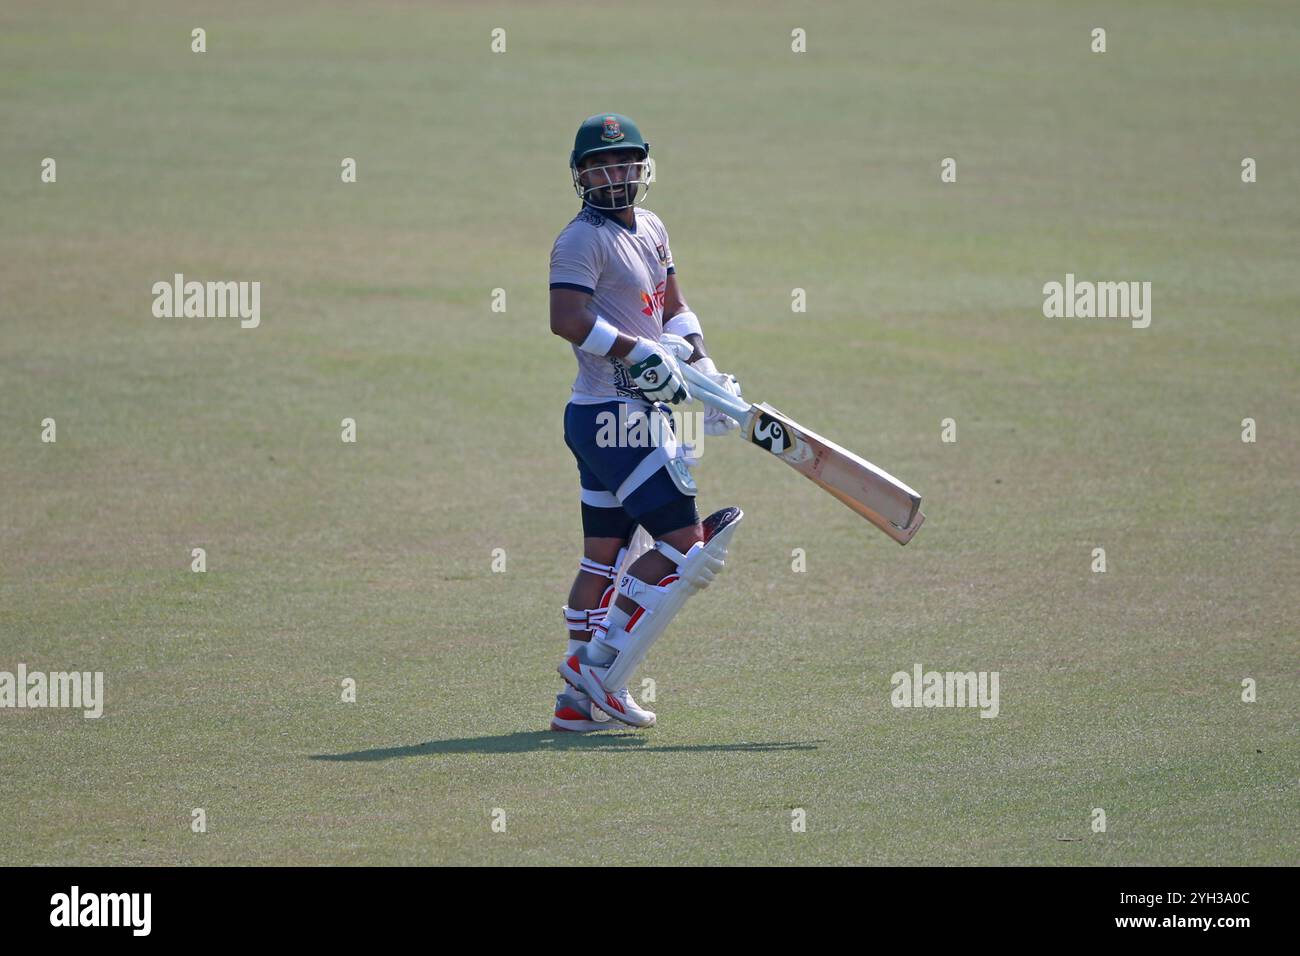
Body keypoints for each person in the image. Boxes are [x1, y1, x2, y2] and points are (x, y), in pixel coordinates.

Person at [548, 113, 743, 732]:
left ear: (643, 168)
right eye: (601, 165)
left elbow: (674, 307)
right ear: (580, 175)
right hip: (612, 415)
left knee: (602, 560)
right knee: (687, 552)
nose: (614, 174)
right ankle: (598, 673)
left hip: (634, 416)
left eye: (625, 162)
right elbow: (567, 319)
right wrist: (638, 352)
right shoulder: (581, 240)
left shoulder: (653, 227)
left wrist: (705, 369)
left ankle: (576, 705)